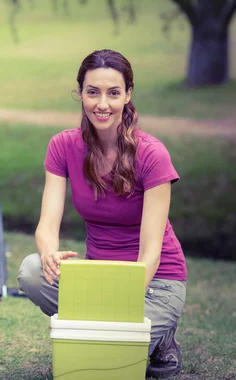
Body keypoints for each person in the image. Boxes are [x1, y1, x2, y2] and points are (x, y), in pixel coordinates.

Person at [17, 49, 187, 379]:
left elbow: (151, 252)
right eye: (92, 92)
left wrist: (119, 298)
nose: (102, 104)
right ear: (80, 93)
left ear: (128, 95)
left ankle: (160, 335)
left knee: (104, 361)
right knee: (32, 270)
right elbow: (46, 225)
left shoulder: (152, 154)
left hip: (155, 283)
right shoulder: (62, 146)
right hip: (98, 276)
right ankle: (116, 332)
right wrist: (50, 254)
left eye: (113, 93)